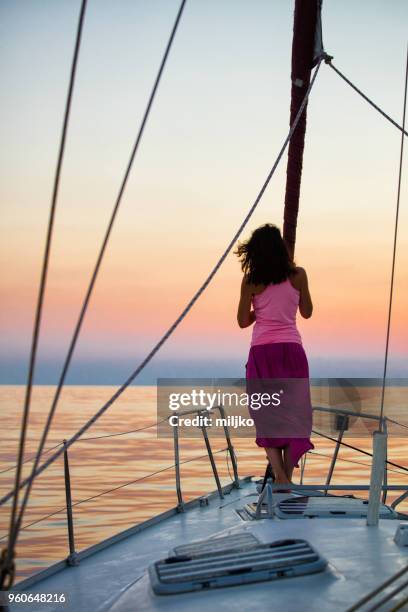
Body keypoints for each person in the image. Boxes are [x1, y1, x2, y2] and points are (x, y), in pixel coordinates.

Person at [235, 223, 314, 486]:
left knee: (266, 415)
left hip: (262, 353)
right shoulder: (298, 274)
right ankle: (286, 479)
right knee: (296, 417)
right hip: (291, 351)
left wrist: (262, 310)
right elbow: (307, 312)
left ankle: (280, 477)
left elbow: (242, 321)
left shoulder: (251, 281)